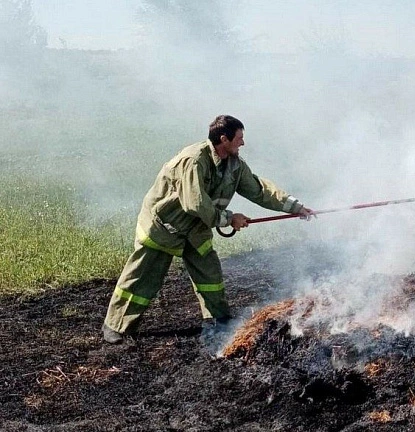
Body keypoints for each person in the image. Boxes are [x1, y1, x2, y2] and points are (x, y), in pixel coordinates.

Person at [102, 115, 314, 344]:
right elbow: (194, 203)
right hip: (164, 224)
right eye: (240, 138)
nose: (243, 143)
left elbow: (259, 190)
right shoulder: (193, 161)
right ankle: (116, 326)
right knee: (143, 276)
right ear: (224, 139)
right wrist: (229, 219)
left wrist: (294, 207)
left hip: (196, 226)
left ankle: (217, 321)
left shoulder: (234, 165)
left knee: (210, 274)